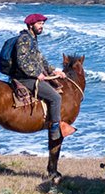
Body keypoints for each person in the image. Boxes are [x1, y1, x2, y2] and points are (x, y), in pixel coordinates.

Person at [14, 13, 74, 143]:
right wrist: (36, 74)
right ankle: (55, 130)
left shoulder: (32, 38)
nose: (42, 26)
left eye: (42, 24)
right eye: (39, 24)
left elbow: (41, 60)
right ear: (31, 25)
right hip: (25, 78)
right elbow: (21, 61)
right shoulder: (24, 39)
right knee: (55, 97)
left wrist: (54, 70)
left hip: (30, 75)